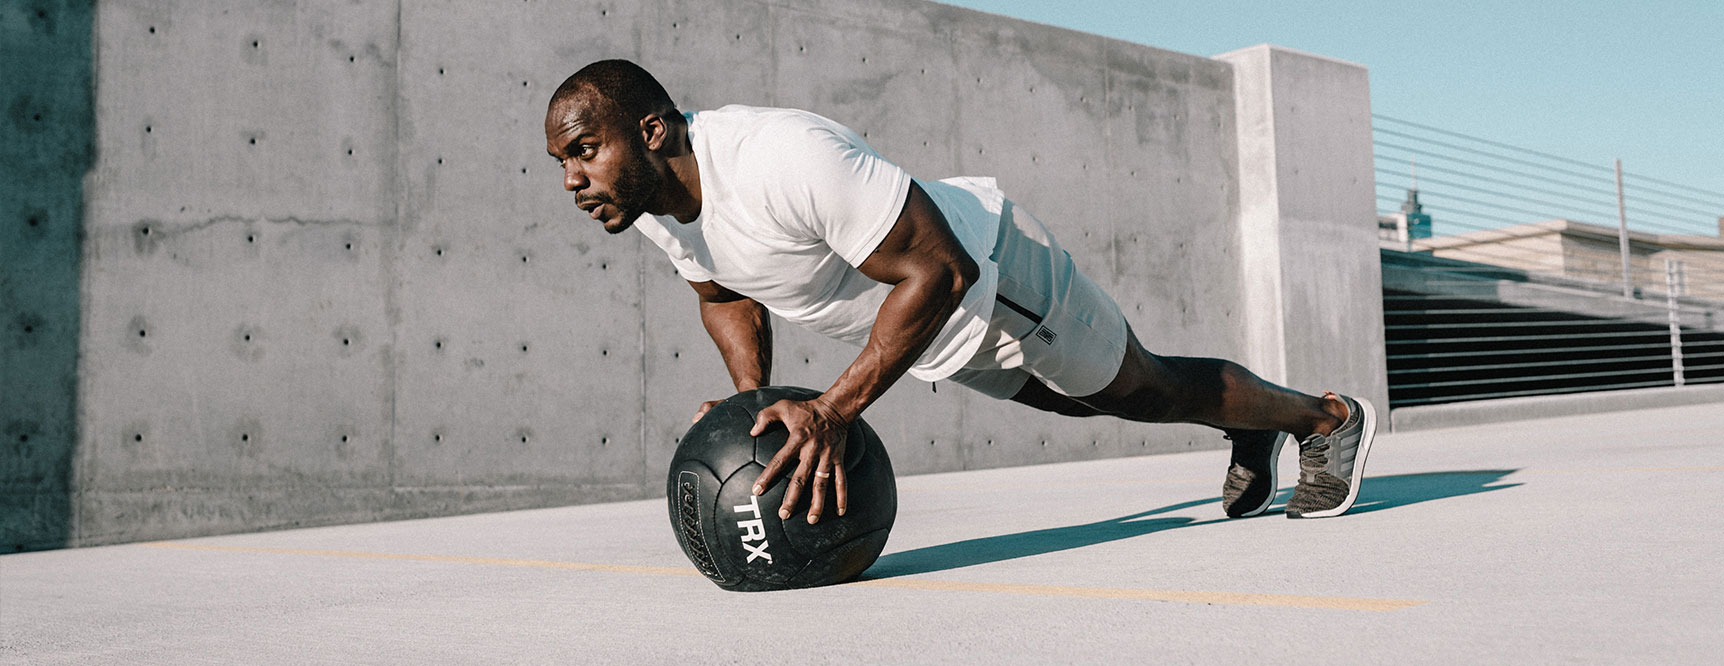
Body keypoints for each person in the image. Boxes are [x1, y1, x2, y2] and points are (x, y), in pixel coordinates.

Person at [543, 59, 1375, 526]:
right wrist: (753, 405)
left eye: (585, 151)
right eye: (563, 166)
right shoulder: (652, 203)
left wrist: (831, 413)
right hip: (928, 328)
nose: (576, 180)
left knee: (1142, 390)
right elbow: (722, 289)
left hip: (991, 276)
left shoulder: (779, 156)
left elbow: (940, 271)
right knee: (1077, 404)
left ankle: (1324, 420)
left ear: (652, 131)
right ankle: (1245, 421)